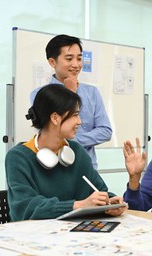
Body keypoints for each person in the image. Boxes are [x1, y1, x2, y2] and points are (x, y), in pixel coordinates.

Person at [6, 84, 126, 221]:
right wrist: (78, 205)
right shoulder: (18, 157)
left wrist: (110, 202)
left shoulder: (76, 151)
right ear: (55, 118)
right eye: (75, 115)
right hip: (30, 236)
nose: (79, 122)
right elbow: (26, 208)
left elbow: (99, 190)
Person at [30, 34, 112, 169]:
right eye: (69, 58)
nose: (76, 64)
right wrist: (70, 94)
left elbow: (105, 131)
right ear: (52, 62)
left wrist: (75, 141)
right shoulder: (39, 95)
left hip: (87, 167)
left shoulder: (92, 92)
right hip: (54, 168)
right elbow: (51, 132)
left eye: (79, 58)